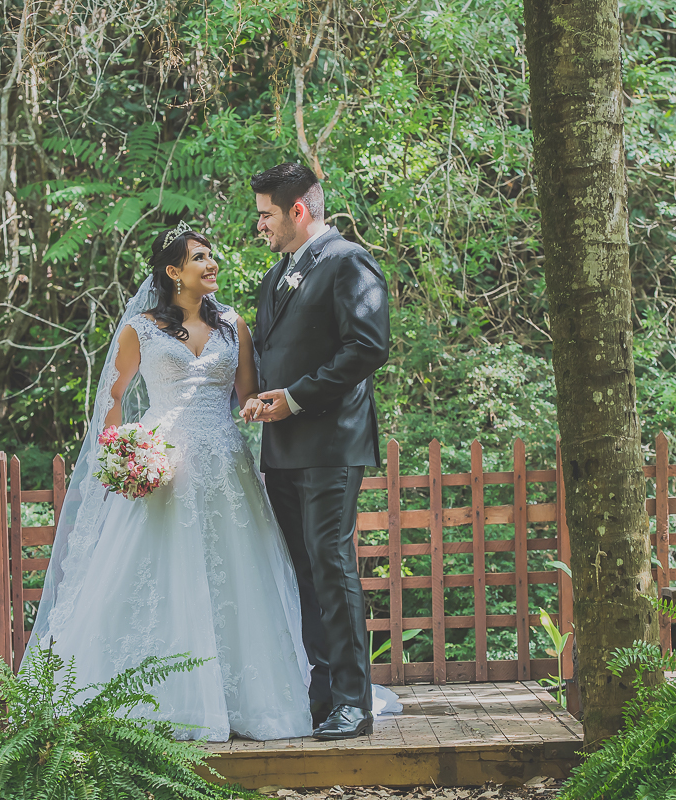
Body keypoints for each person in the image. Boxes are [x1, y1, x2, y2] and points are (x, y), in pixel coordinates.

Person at [25, 220, 313, 742]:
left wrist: (258, 408)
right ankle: (154, 700)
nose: (211, 263)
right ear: (173, 272)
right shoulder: (140, 329)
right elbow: (112, 398)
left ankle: (243, 700)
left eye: (211, 255)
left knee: (236, 576)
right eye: (199, 257)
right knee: (156, 575)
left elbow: (246, 395)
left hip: (225, 466)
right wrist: (119, 452)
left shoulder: (234, 325)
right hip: (162, 468)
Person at [243, 163, 391, 740]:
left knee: (331, 564)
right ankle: (323, 696)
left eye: (266, 215)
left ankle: (354, 703)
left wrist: (297, 398)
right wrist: (260, 399)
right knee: (304, 572)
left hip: (331, 444)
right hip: (281, 447)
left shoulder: (349, 262)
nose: (260, 225)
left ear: (298, 211)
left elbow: (367, 347)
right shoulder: (276, 275)